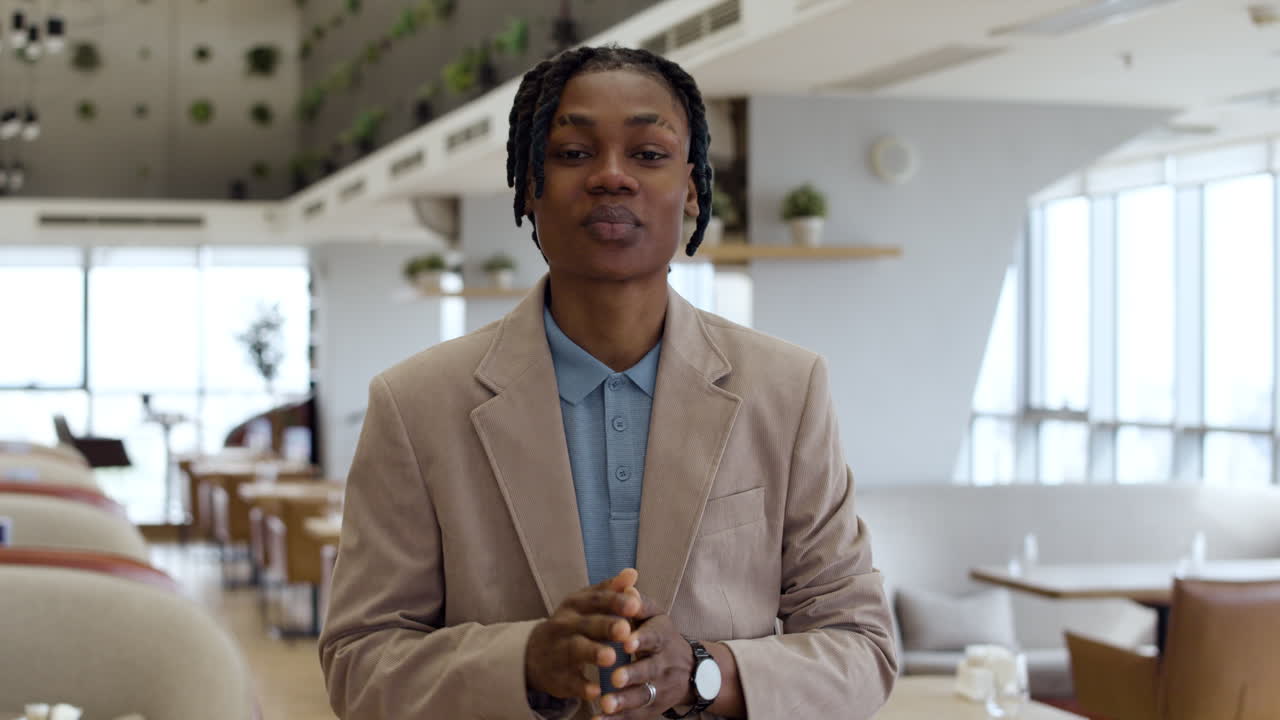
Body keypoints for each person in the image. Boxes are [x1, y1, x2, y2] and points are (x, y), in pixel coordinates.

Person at [319, 45, 897, 719]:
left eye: (648, 154)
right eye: (572, 153)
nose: (611, 176)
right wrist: (527, 663)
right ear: (529, 183)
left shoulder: (786, 390)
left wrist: (704, 672)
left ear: (691, 185)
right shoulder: (418, 405)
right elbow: (359, 662)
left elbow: (862, 648)